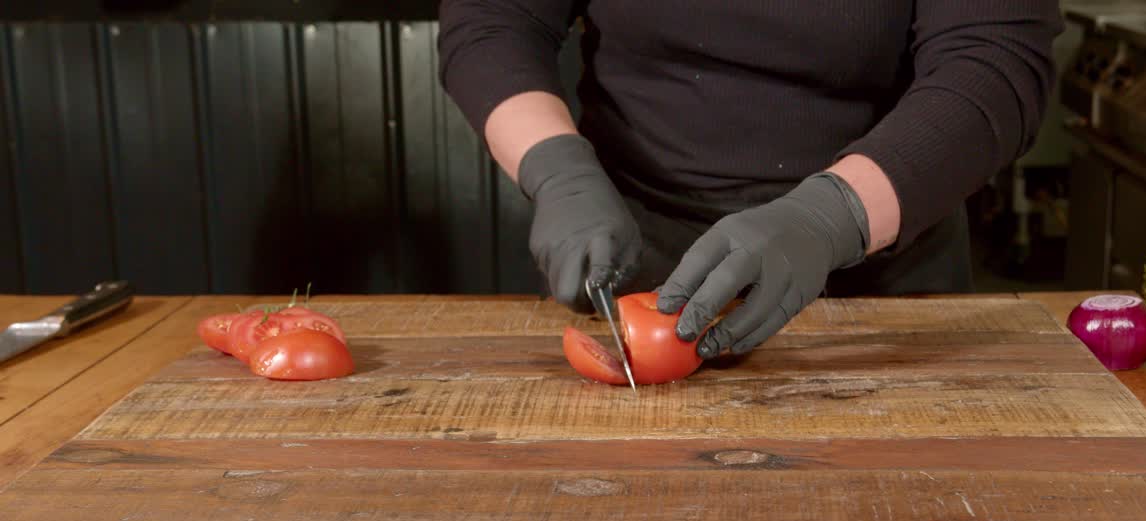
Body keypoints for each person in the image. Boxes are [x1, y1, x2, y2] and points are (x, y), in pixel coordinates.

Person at [438, 2, 1063, 359]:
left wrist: (831, 216)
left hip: (881, 289)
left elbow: (994, 59)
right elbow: (495, 20)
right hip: (635, 276)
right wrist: (557, 171)